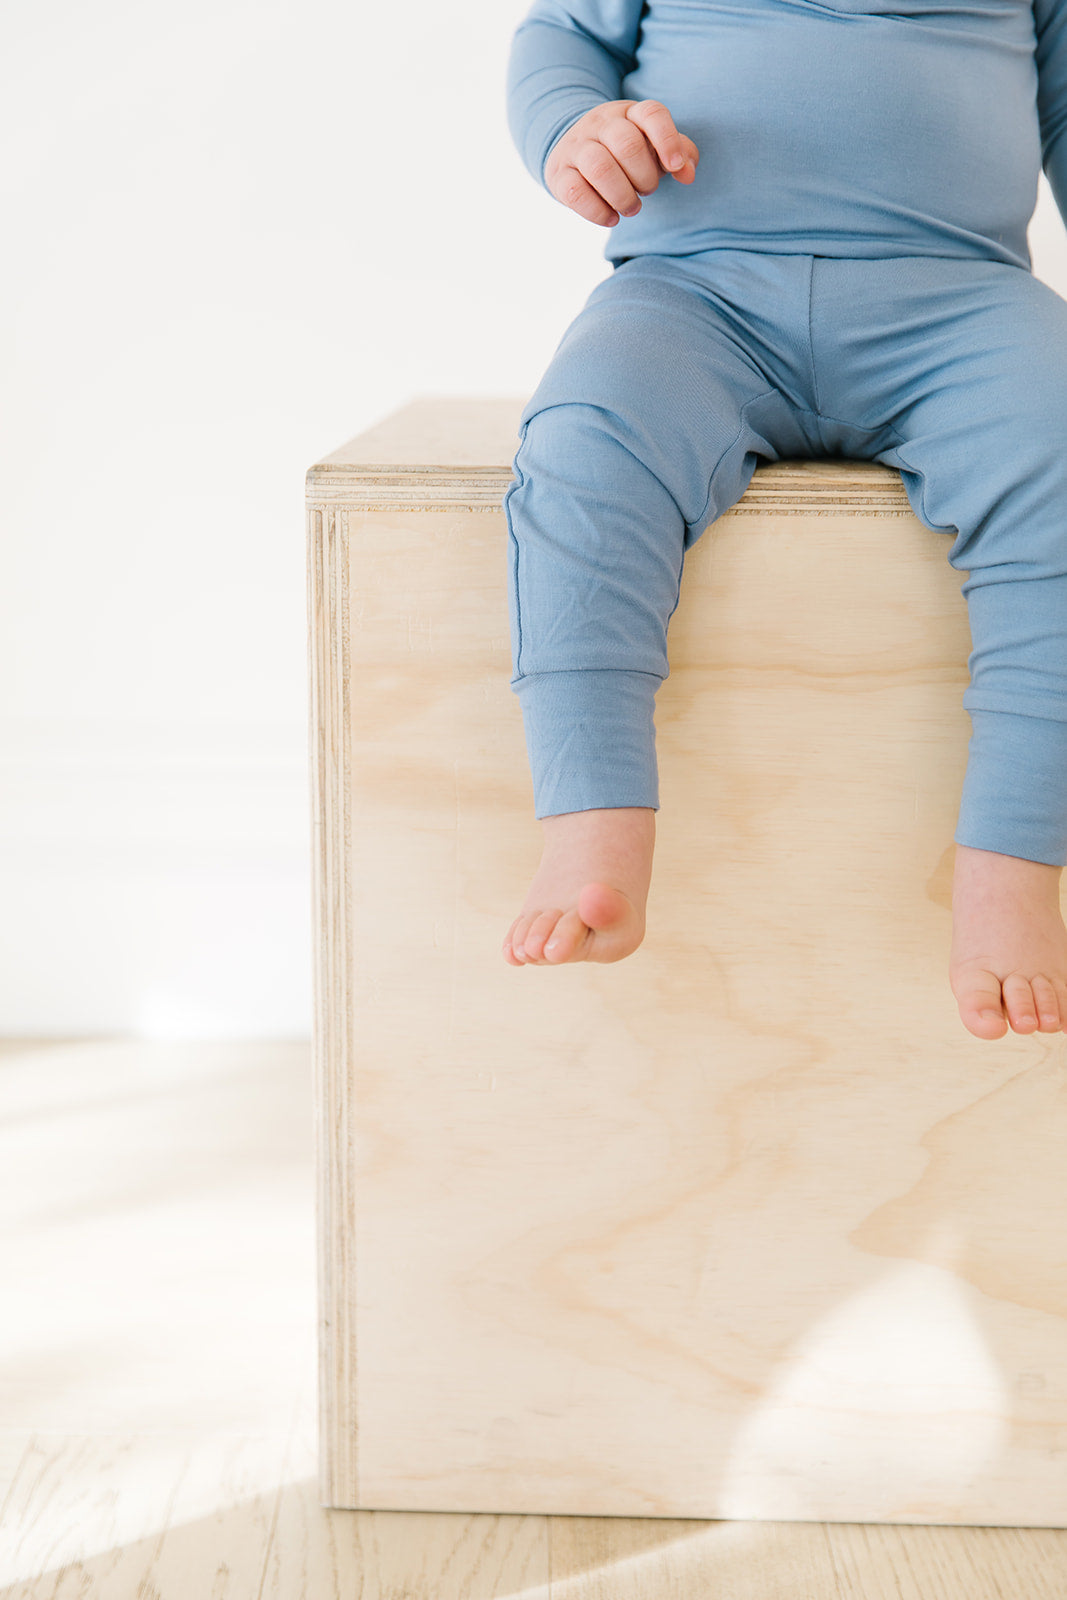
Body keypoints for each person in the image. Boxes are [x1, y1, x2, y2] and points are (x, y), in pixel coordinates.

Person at [499, 0, 1067, 1041]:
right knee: (583, 443)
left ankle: (1014, 861)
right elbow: (564, 36)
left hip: (960, 304)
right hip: (693, 292)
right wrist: (573, 129)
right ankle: (590, 815)